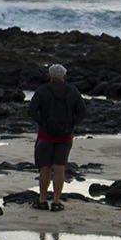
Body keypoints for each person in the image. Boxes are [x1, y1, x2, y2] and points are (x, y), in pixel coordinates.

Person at [29, 63, 86, 212]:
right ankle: (56, 201)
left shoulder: (42, 90)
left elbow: (31, 111)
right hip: (65, 136)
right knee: (60, 168)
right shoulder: (72, 91)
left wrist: (42, 123)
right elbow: (82, 112)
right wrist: (72, 124)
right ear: (64, 76)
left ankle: (42, 200)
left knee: (45, 169)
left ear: (49, 75)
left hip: (45, 135)